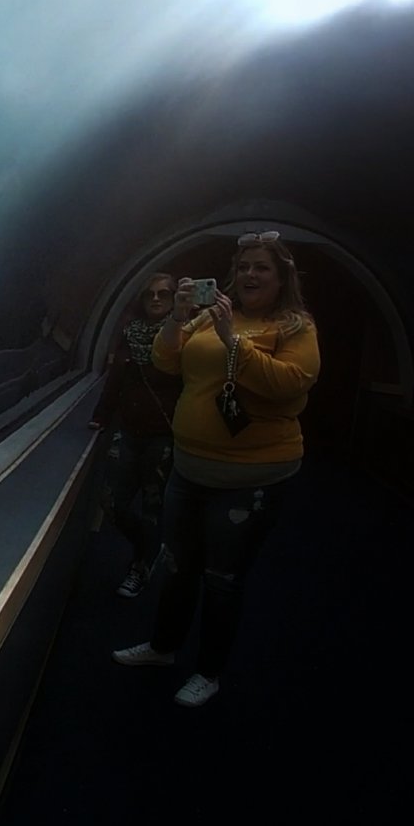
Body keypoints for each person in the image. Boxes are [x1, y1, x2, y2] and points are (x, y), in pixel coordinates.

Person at [111, 231, 321, 707]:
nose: (249, 274)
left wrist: (232, 342)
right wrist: (180, 317)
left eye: (261, 267)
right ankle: (164, 648)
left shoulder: (295, 326)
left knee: (222, 579)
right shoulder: (210, 314)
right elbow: (166, 360)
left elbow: (290, 385)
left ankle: (209, 671)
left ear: (281, 275)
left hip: (251, 480)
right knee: (177, 565)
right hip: (189, 470)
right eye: (244, 265)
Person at [88, 272, 182, 598]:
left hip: (164, 436)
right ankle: (149, 547)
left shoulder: (184, 336)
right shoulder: (130, 334)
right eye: (150, 294)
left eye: (164, 294)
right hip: (128, 430)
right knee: (111, 500)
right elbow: (115, 379)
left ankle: (139, 568)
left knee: (152, 506)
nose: (156, 299)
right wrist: (100, 415)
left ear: (175, 300)